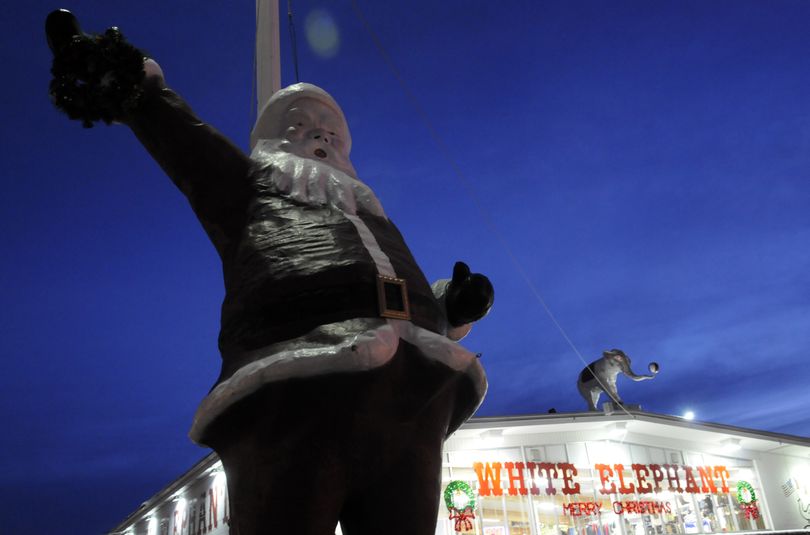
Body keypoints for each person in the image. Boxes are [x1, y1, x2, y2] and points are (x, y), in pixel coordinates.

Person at [46, 10, 494, 535]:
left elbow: (395, 280)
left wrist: (451, 305)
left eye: (330, 132)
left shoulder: (369, 211)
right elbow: (185, 142)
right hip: (297, 388)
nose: (318, 138)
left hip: (415, 396)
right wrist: (125, 81)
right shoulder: (250, 190)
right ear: (273, 142)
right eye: (300, 127)